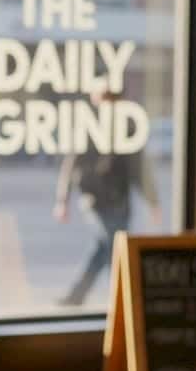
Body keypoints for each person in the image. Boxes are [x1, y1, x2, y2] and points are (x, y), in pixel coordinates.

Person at [53, 92, 163, 306]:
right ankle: (123, 298)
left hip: (118, 202)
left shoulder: (127, 131)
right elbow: (71, 164)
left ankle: (82, 295)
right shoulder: (89, 129)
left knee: (106, 248)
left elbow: (138, 171)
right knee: (113, 248)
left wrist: (153, 202)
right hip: (96, 201)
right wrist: (62, 199)